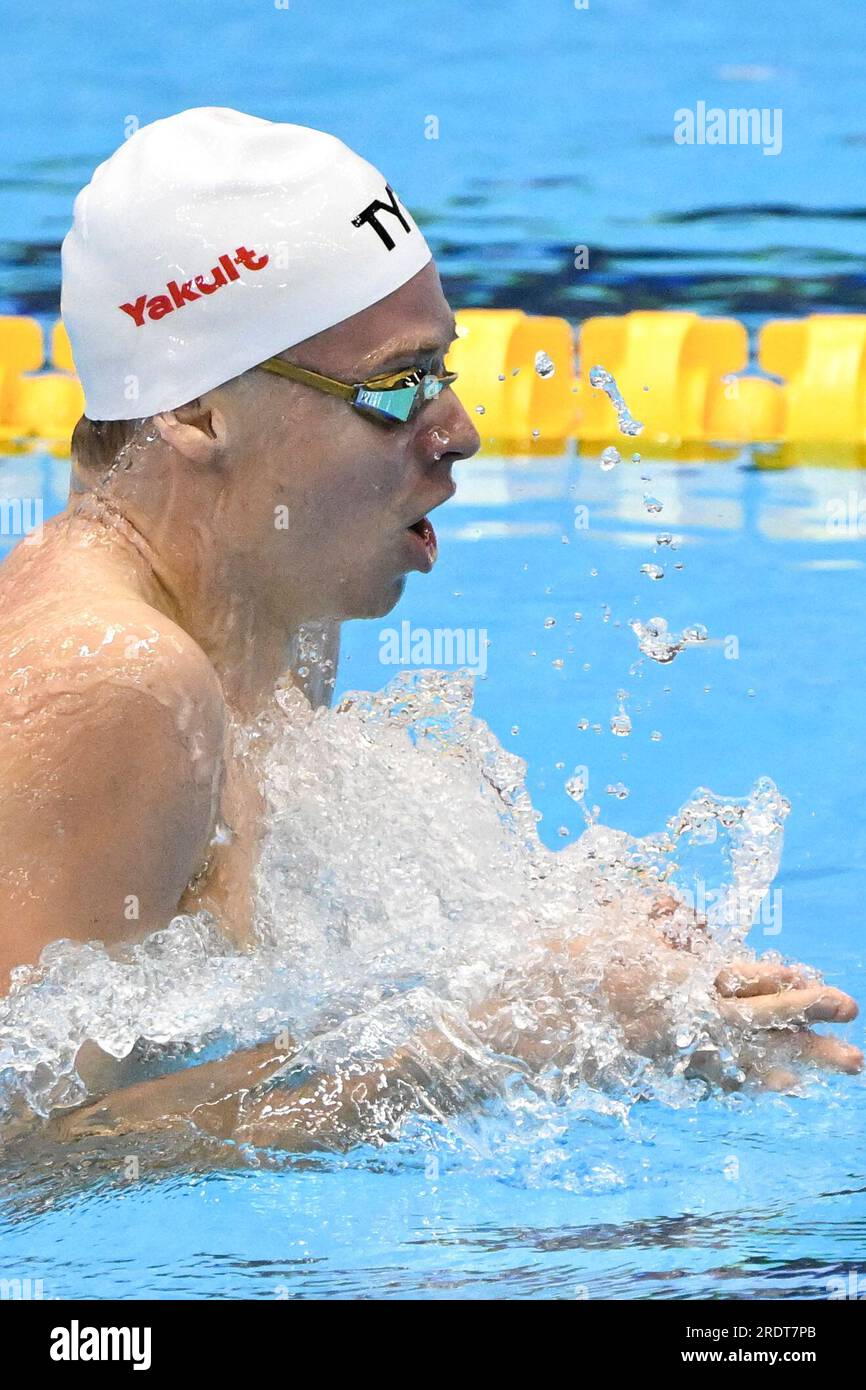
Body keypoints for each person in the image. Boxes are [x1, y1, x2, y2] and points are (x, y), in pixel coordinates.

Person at [0, 109, 859, 1152]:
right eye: (395, 387)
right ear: (197, 414)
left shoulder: (272, 598)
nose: (457, 433)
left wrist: (580, 972)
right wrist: (487, 1042)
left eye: (444, 373)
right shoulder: (118, 682)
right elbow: (25, 1155)